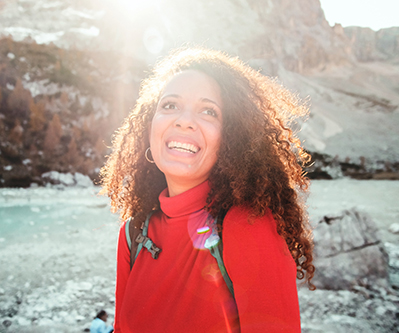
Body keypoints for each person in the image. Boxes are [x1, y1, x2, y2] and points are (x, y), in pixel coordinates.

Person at [100, 47, 315, 332]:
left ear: (232, 137)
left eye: (208, 111)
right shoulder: (134, 233)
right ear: (148, 127)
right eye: (170, 105)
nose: (184, 120)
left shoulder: (248, 225)